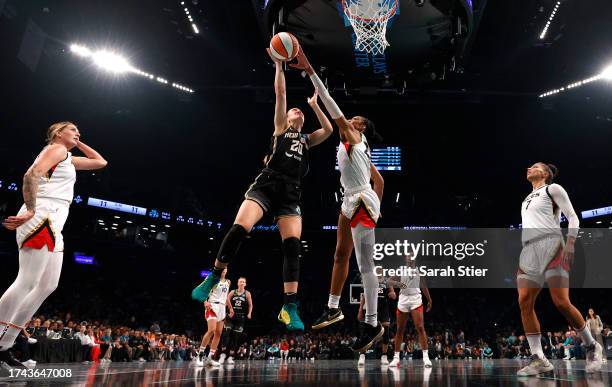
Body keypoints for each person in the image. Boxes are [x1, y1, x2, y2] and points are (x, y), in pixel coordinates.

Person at [191, 50, 334, 332]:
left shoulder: (307, 140)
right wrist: (280, 65)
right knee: (239, 229)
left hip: (291, 193)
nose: (296, 111)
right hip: (267, 183)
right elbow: (280, 93)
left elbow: (328, 129)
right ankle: (213, 277)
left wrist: (315, 105)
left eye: (299, 111)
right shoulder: (281, 128)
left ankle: (289, 306)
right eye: (295, 109)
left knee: (293, 247)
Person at [290, 49, 385, 353]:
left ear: (361, 129)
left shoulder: (355, 137)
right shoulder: (356, 147)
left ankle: (372, 323)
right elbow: (380, 180)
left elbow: (335, 112)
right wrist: (315, 105)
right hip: (351, 198)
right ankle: (333, 307)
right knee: (339, 255)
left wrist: (309, 69)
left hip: (360, 198)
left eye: (356, 120)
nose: (351, 119)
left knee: (366, 264)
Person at [0, 121, 107, 367]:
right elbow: (31, 174)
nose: (78, 132)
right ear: (58, 133)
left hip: (55, 222)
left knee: (48, 284)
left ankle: (5, 344)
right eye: (73, 129)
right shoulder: (56, 149)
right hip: (41, 216)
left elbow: (101, 162)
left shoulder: (67, 157)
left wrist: (77, 142)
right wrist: (29, 208)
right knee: (27, 281)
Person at [516, 162, 603, 376]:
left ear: (545, 173)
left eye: (534, 166)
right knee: (524, 301)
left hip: (553, 244)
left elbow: (573, 216)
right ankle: (539, 359)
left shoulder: (552, 189)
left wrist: (571, 243)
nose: (529, 168)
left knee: (561, 302)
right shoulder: (526, 199)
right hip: (529, 251)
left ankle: (592, 345)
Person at [388, 255, 432, 368]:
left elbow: (423, 285)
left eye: (412, 256)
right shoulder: (400, 269)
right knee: (399, 329)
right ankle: (396, 358)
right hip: (403, 299)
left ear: (415, 259)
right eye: (408, 256)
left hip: (415, 299)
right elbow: (389, 281)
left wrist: (429, 299)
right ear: (405, 259)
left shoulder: (420, 270)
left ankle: (426, 358)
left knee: (420, 327)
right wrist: (395, 288)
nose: (410, 258)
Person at [357, 280, 396, 366]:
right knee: (366, 332)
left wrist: (392, 295)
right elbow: (364, 296)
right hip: (371, 306)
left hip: (383, 307)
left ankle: (384, 356)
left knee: (386, 332)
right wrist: (360, 310)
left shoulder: (387, 282)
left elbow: (393, 294)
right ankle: (362, 355)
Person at [196, 268, 231, 367]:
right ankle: (200, 355)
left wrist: (231, 308)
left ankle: (210, 358)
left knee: (218, 333)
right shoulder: (212, 279)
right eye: (222, 268)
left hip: (222, 308)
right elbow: (203, 292)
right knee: (211, 330)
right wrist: (205, 302)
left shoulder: (228, 282)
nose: (224, 269)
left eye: (226, 268)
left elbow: (226, 296)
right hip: (212, 306)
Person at [225, 277, 253, 364]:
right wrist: (226, 310)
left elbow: (250, 305)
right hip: (231, 315)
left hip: (240, 317)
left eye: (243, 282)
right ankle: (222, 354)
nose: (242, 283)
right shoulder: (232, 292)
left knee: (235, 337)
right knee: (226, 332)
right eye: (240, 281)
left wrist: (249, 313)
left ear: (245, 284)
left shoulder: (247, 294)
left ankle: (230, 356)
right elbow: (226, 300)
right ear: (237, 283)